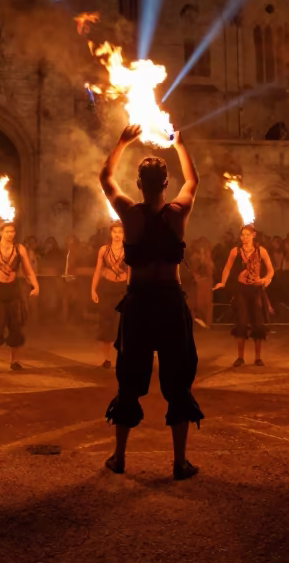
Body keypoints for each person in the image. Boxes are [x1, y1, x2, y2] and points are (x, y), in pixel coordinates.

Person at [100, 125, 203, 480]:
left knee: (130, 377)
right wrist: (180, 144)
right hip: (170, 303)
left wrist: (123, 141)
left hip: (140, 303)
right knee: (178, 379)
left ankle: (120, 457)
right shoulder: (177, 212)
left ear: (139, 183)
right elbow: (194, 181)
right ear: (165, 182)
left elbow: (106, 177)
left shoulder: (129, 214)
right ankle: (178, 463)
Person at [0, 222, 40, 372]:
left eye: (12, 231)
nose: (10, 234)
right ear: (0, 233)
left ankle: (15, 361)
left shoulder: (20, 249)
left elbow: (28, 270)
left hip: (13, 290)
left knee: (15, 327)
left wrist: (36, 285)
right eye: (7, 231)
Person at [214, 225, 275, 367]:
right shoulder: (235, 251)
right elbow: (227, 267)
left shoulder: (261, 251)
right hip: (241, 290)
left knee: (258, 324)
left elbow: (271, 270)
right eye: (242, 235)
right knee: (241, 323)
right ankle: (240, 357)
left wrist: (266, 279)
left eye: (247, 235)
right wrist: (222, 282)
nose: (244, 238)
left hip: (256, 291)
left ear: (254, 235)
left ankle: (258, 358)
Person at [91, 221, 131, 368]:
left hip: (123, 288)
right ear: (111, 233)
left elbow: (132, 271)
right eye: (115, 232)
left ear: (124, 234)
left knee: (126, 323)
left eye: (120, 232)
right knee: (106, 323)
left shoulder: (128, 250)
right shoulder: (104, 250)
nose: (117, 235)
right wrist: (93, 289)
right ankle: (106, 359)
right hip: (107, 288)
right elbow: (98, 271)